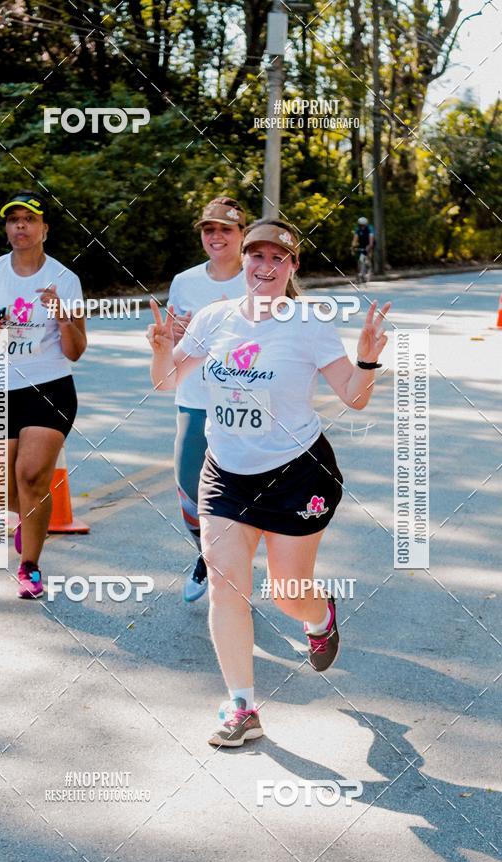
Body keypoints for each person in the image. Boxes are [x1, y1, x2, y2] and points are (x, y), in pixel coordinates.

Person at [148, 218, 390, 747]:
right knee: (225, 585)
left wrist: (368, 356)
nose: (264, 266)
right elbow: (169, 382)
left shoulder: (308, 324)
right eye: (255, 256)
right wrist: (163, 346)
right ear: (244, 263)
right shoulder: (214, 320)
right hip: (227, 474)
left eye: (277, 258)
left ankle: (320, 615)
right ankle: (241, 707)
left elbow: (354, 396)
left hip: (296, 473)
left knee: (287, 594)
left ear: (292, 267)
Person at [0, 191, 87, 598]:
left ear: (44, 229)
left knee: (32, 476)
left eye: (29, 220)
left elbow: (76, 350)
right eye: (13, 220)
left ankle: (29, 566)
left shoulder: (65, 279)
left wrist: (64, 317)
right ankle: (29, 522)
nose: (20, 227)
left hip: (49, 387)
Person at [169, 196, 247, 602]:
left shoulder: (259, 275)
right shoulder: (185, 281)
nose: (216, 236)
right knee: (188, 483)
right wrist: (170, 337)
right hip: (194, 396)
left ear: (241, 235)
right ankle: (207, 555)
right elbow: (175, 339)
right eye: (208, 229)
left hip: (244, 400)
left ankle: (233, 573)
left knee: (238, 491)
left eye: (226, 229)